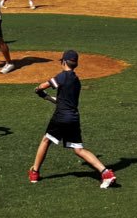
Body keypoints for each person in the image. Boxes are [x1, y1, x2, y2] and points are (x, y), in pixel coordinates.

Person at [28, 50, 117, 188]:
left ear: (63, 62)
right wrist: (46, 97)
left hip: (61, 117)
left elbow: (43, 85)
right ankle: (106, 173)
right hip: (73, 118)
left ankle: (34, 173)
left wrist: (38, 90)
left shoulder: (63, 76)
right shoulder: (76, 81)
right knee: (79, 149)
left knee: (46, 140)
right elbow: (64, 101)